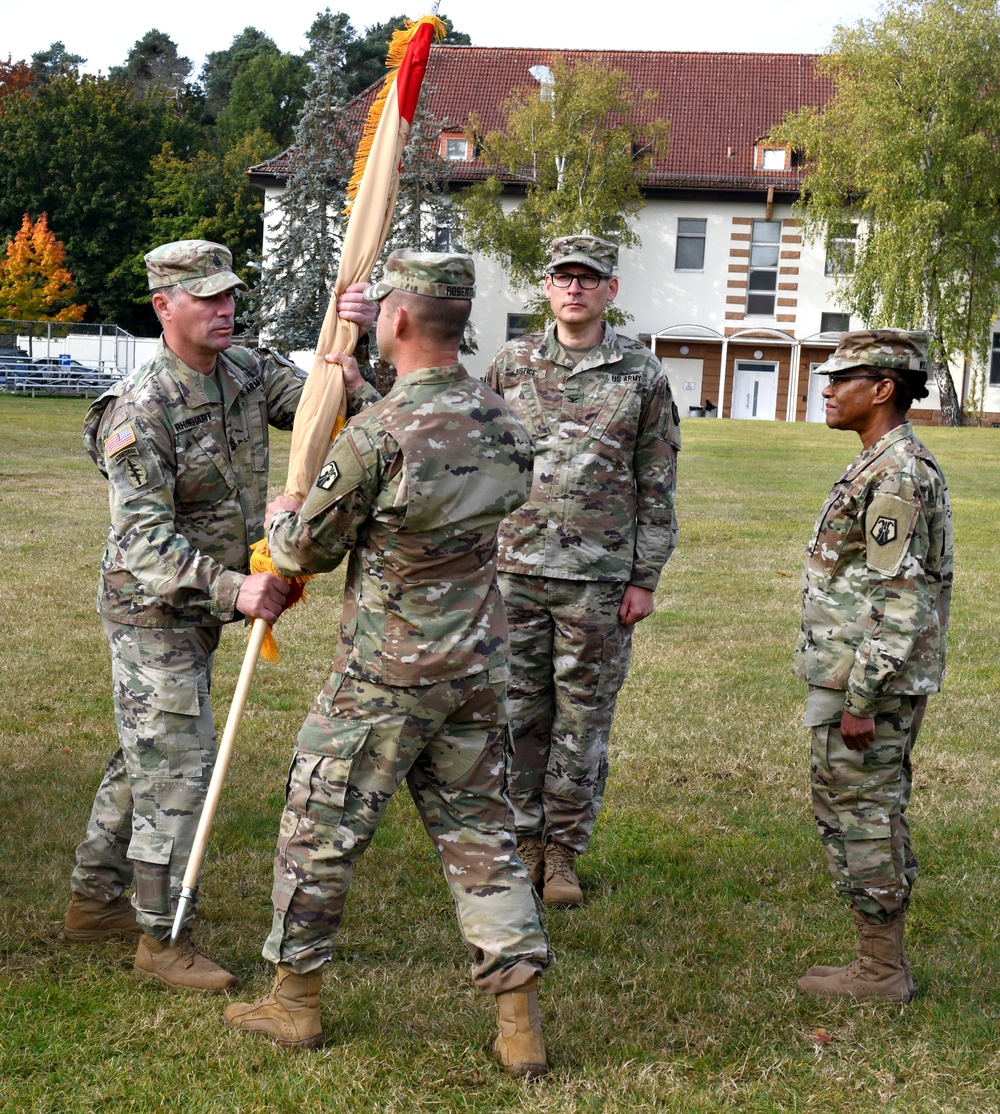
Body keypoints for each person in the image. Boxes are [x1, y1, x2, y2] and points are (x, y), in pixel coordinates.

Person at [223, 251, 553, 1080]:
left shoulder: (375, 439)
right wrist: (365, 389)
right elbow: (437, 448)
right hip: (477, 671)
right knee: (485, 838)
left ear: (397, 320)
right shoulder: (507, 422)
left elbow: (305, 550)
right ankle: (519, 1025)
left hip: (383, 678)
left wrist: (287, 510)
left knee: (320, 829)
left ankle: (293, 1003)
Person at [64, 239, 376, 993]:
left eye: (228, 293)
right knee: (177, 765)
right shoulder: (142, 408)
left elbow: (340, 417)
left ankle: (92, 902)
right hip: (153, 608)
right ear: (163, 307)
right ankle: (161, 938)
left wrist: (353, 346)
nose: (223, 307)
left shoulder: (243, 371)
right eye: (203, 297)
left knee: (150, 750)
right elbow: (142, 541)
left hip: (204, 609)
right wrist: (235, 587)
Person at [484, 234, 680, 906]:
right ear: (545, 287)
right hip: (512, 572)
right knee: (515, 714)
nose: (574, 288)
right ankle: (524, 842)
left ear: (610, 292)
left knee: (582, 722)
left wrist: (644, 577)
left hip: (597, 580)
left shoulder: (641, 375)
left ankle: (563, 854)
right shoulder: (510, 366)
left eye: (588, 279)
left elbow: (656, 483)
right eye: (563, 277)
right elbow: (480, 464)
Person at [793, 329, 953, 1003]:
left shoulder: (896, 474)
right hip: (850, 675)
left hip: (866, 686)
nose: (826, 390)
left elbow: (902, 597)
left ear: (883, 388)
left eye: (841, 379)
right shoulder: (880, 463)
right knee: (856, 809)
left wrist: (863, 697)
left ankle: (882, 971)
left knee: (864, 814)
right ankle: (876, 959)